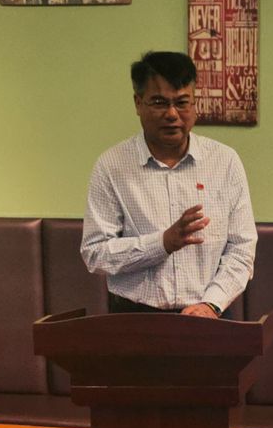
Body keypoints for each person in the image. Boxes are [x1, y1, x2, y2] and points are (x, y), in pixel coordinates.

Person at [80, 51, 257, 319]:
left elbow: (241, 249)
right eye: (159, 102)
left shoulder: (225, 161)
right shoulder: (111, 166)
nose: (172, 114)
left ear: (195, 103)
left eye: (182, 102)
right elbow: (95, 253)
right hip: (135, 318)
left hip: (211, 316)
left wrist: (211, 304)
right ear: (138, 103)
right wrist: (162, 243)